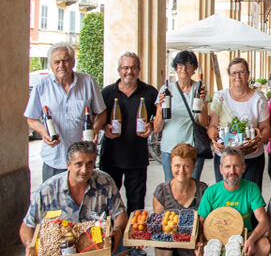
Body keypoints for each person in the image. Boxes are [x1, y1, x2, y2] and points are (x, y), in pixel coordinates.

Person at [20, 141, 127, 254]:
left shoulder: (105, 182)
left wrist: (117, 230)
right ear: (68, 165)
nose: (84, 170)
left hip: (95, 249)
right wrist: (29, 245)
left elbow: (120, 213)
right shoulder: (48, 190)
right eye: (79, 164)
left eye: (89, 164)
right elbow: (27, 226)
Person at [25, 42, 107, 181]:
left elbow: (101, 113)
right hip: (54, 157)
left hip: (84, 158)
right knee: (53, 201)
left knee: (84, 199)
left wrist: (95, 129)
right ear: (51, 65)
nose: (61, 65)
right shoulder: (42, 85)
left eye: (65, 60)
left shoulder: (88, 82)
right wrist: (44, 132)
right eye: (56, 62)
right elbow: (31, 118)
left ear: (73, 62)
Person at [100, 52, 158, 214]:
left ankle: (132, 237)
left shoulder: (149, 93)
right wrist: (105, 127)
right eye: (125, 68)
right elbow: (96, 118)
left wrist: (152, 125)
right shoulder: (107, 93)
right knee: (107, 203)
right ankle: (110, 236)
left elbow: (161, 118)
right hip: (110, 157)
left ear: (139, 70)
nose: (129, 72)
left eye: (133, 68)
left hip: (137, 159)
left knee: (136, 204)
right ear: (119, 70)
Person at [208, 58, 271, 190]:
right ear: (230, 76)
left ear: (248, 74)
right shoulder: (220, 97)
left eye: (241, 72)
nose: (237, 76)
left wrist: (259, 141)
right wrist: (214, 141)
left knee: (250, 199)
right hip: (225, 158)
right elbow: (212, 126)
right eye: (234, 73)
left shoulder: (258, 99)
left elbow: (265, 127)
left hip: (251, 158)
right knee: (225, 198)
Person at [198, 147, 270, 256]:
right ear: (220, 169)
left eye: (236, 166)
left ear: (243, 168)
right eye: (227, 167)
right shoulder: (210, 192)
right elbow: (201, 223)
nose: (232, 171)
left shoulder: (251, 188)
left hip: (243, 238)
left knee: (264, 244)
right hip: (216, 239)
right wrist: (199, 243)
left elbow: (264, 222)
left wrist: (250, 240)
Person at [154, 50, 208, 182]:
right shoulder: (166, 90)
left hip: (193, 149)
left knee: (192, 190)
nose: (184, 69)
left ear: (194, 69)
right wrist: (161, 107)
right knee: (171, 188)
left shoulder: (199, 88)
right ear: (176, 68)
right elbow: (157, 127)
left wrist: (202, 104)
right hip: (169, 149)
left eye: (188, 65)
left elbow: (203, 122)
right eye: (180, 65)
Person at [153, 143, 208, 256]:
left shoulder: (203, 190)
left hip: (194, 248)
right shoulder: (162, 192)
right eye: (177, 165)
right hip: (169, 249)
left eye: (186, 166)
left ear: (193, 166)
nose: (181, 170)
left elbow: (206, 226)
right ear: (171, 165)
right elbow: (157, 226)